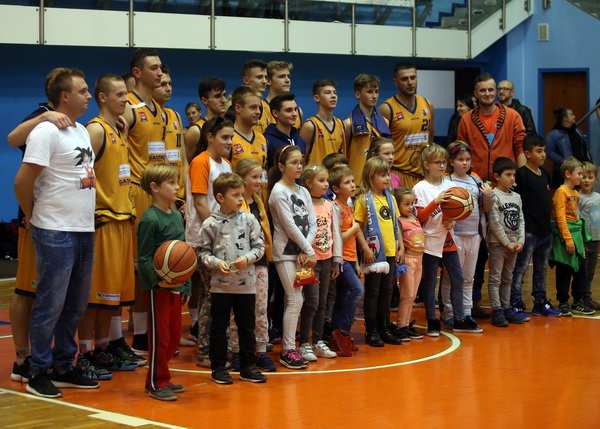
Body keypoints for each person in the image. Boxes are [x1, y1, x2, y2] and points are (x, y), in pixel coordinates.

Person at [14, 68, 99, 398]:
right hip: (54, 229)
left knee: (75, 304)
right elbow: (23, 180)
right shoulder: (46, 130)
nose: (89, 95)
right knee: (50, 304)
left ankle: (64, 366)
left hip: (83, 228)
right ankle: (38, 371)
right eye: (83, 90)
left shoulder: (81, 130)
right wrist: (32, 214)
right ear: (65, 96)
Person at [7, 68, 73, 384]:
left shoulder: (75, 125)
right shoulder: (42, 116)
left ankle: (54, 359)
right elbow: (12, 138)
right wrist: (43, 118)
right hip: (36, 216)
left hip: (61, 219)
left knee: (52, 293)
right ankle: (22, 358)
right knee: (26, 289)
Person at [75, 74, 142, 382]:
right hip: (103, 220)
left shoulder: (118, 129)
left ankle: (103, 347)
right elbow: (79, 175)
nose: (125, 99)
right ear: (102, 97)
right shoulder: (95, 130)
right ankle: (84, 352)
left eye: (126, 94)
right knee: (93, 297)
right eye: (119, 95)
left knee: (110, 296)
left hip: (122, 219)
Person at [197, 173, 266, 385]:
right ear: (220, 197)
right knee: (219, 328)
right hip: (220, 287)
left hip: (247, 286)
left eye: (241, 195)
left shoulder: (249, 220)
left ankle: (247, 366)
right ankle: (218, 368)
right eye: (235, 195)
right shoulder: (210, 224)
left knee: (247, 327)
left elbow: (260, 247)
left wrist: (248, 258)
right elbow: (202, 252)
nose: (240, 199)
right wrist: (216, 263)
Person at [122, 48, 167, 356]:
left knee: (156, 265)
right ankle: (137, 336)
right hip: (137, 196)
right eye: (153, 67)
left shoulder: (159, 110)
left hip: (158, 195)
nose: (160, 72)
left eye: (161, 67)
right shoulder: (128, 107)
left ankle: (149, 330)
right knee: (138, 269)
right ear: (137, 73)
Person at [412, 144, 482, 336]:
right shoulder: (420, 188)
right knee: (430, 282)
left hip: (448, 237)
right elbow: (419, 218)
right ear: (426, 164)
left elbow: (457, 213)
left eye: (444, 162)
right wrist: (436, 202)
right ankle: (432, 320)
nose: (442, 166)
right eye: (437, 162)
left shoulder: (450, 185)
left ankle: (459, 318)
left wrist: (452, 219)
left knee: (458, 278)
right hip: (429, 240)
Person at [136, 164, 191, 401]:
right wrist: (159, 280)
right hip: (157, 288)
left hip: (176, 286)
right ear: (155, 187)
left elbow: (184, 253)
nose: (177, 187)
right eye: (171, 183)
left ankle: (163, 377)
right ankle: (156, 382)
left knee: (174, 337)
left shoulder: (177, 216)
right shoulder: (149, 219)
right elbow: (144, 258)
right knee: (160, 337)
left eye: (177, 182)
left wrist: (185, 284)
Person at [186, 117, 234, 368]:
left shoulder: (226, 164)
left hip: (223, 238)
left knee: (218, 295)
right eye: (225, 137)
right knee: (212, 296)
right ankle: (206, 351)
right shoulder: (201, 162)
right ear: (210, 137)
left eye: (231, 137)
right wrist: (218, 233)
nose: (230, 142)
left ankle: (217, 346)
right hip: (205, 239)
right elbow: (200, 203)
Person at [153, 66, 194, 347]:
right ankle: (145, 335)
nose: (167, 87)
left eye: (169, 83)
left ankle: (170, 335)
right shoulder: (136, 113)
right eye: (162, 83)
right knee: (155, 268)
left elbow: (184, 160)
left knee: (177, 264)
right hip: (154, 199)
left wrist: (186, 196)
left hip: (176, 198)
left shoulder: (175, 116)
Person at [268, 145, 317, 369]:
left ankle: (291, 347)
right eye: (294, 163)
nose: (299, 166)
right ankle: (288, 350)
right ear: (281, 166)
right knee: (294, 299)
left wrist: (306, 250)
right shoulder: (278, 192)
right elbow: (289, 227)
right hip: (286, 253)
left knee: (299, 299)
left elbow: (312, 223)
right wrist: (308, 250)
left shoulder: (303, 191)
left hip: (302, 254)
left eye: (301, 162)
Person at [440, 142, 493, 327]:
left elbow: (485, 208)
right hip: (454, 236)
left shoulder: (476, 181)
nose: (465, 163)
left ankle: (466, 312)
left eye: (468, 159)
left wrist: (488, 196)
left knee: (469, 277)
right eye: (460, 159)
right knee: (451, 277)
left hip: (474, 235)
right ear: (451, 162)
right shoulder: (447, 182)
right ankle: (449, 313)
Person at [230, 159, 276, 372]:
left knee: (260, 308)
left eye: (261, 176)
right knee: (238, 311)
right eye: (254, 177)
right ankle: (237, 351)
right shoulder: (234, 204)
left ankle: (260, 350)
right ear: (241, 179)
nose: (259, 181)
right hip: (239, 263)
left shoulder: (259, 201)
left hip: (260, 262)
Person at [510, 134, 561, 318]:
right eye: (539, 151)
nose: (543, 154)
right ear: (527, 153)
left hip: (545, 230)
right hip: (528, 231)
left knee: (541, 268)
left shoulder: (545, 174)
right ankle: (514, 302)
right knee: (521, 267)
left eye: (544, 151)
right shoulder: (522, 174)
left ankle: (540, 302)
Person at [354, 157, 403, 346]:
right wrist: (365, 248)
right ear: (370, 176)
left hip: (390, 252)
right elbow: (357, 227)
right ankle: (372, 330)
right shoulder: (363, 200)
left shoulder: (390, 198)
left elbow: (395, 224)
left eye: (388, 175)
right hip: (374, 253)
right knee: (373, 291)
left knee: (387, 291)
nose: (387, 178)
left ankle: (384, 328)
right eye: (382, 175)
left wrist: (401, 246)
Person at [297, 164, 341, 362]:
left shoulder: (330, 206)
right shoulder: (303, 205)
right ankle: (304, 343)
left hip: (327, 259)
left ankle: (317, 341)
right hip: (310, 261)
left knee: (322, 303)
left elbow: (335, 233)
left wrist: (336, 260)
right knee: (311, 302)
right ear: (308, 183)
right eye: (321, 180)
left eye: (326, 181)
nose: (326, 184)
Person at [457, 72, 526, 183]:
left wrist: (523, 179)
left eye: (491, 90)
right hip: (475, 181)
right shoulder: (466, 119)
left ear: (496, 91)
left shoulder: (512, 116)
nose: (487, 94)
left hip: (506, 183)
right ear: (475, 94)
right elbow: (461, 151)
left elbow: (520, 149)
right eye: (482, 90)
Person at [549, 157, 595, 316]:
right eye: (579, 174)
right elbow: (560, 217)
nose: (581, 177)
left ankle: (578, 300)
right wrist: (568, 239)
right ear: (568, 174)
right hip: (566, 236)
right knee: (564, 269)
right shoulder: (561, 192)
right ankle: (563, 301)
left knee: (580, 269)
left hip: (577, 235)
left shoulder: (576, 193)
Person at [379, 62, 435, 189]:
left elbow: (430, 142)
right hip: (398, 173)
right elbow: (380, 148)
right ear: (395, 82)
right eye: (404, 79)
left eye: (413, 78)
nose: (410, 82)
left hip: (423, 174)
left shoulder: (427, 105)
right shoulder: (387, 109)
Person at [486, 157, 526, 327]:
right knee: (496, 278)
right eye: (508, 175)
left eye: (513, 175)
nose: (512, 178)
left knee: (508, 277)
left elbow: (521, 220)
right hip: (498, 244)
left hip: (514, 245)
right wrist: (505, 242)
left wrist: (520, 241)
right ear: (497, 176)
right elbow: (494, 223)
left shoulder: (517, 196)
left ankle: (506, 307)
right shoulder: (493, 196)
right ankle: (497, 310)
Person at [328, 166, 364, 356]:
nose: (352, 185)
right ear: (335, 189)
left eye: (353, 181)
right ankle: (343, 331)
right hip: (340, 259)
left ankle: (335, 337)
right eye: (347, 183)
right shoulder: (335, 208)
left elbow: (352, 241)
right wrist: (355, 228)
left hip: (350, 258)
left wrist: (356, 262)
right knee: (358, 290)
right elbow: (338, 238)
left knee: (342, 297)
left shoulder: (349, 208)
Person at [344, 74, 391, 185]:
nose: (374, 96)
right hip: (357, 182)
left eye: (376, 91)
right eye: (370, 92)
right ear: (357, 94)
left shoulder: (385, 122)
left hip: (379, 181)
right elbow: (343, 156)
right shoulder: (348, 124)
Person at [391, 187, 425, 341]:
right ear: (397, 205)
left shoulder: (414, 218)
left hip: (419, 260)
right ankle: (400, 326)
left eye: (412, 203)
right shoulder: (399, 221)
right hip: (408, 261)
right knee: (407, 295)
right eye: (406, 204)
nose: (410, 207)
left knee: (412, 295)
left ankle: (406, 324)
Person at [230, 85, 269, 201]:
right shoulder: (229, 138)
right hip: (238, 202)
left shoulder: (262, 138)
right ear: (238, 108)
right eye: (253, 107)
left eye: (259, 108)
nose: (258, 112)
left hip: (261, 202)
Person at [300, 79, 346, 165]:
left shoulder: (341, 124)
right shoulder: (310, 126)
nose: (333, 96)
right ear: (316, 98)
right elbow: (301, 160)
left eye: (335, 93)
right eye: (328, 93)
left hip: (335, 173)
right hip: (315, 173)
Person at [546, 107, 592, 189]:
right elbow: (549, 152)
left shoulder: (578, 131)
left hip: (582, 170)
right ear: (565, 118)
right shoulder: (554, 134)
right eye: (571, 115)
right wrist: (564, 161)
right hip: (566, 172)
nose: (574, 116)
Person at [184, 77, 227, 161]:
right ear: (204, 101)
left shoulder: (229, 126)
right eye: (217, 96)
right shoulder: (195, 131)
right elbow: (189, 164)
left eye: (224, 95)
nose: (223, 100)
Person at [264, 93, 306, 169]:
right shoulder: (267, 140)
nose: (294, 114)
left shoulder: (300, 140)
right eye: (288, 110)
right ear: (275, 113)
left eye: (295, 109)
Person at [578, 162, 600, 310]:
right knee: (582, 271)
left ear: (595, 180)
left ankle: (587, 296)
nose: (586, 180)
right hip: (583, 240)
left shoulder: (598, 196)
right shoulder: (577, 197)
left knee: (590, 271)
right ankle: (580, 297)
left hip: (595, 240)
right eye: (584, 177)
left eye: (590, 177)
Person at [264, 61, 303, 128]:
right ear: (268, 81)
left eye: (288, 76)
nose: (287, 80)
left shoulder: (298, 111)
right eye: (281, 76)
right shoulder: (259, 108)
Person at [240, 59, 270, 134]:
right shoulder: (235, 107)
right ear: (246, 80)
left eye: (266, 77)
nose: (264, 81)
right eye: (259, 77)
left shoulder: (267, 108)